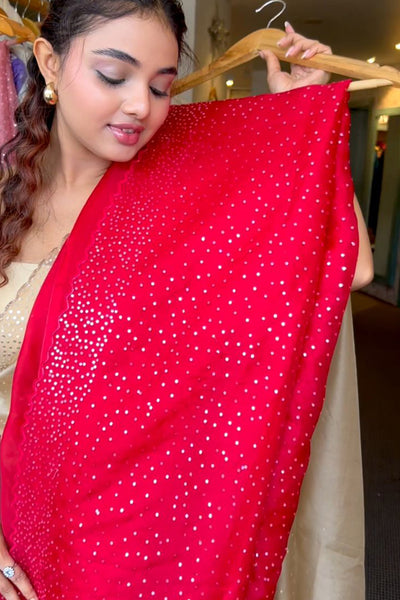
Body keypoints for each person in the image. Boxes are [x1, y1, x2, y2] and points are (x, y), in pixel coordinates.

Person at [0, 1, 373, 599]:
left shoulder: (184, 188)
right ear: (47, 62)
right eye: (113, 76)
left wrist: (302, 116)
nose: (140, 107)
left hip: (106, 534)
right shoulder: (7, 191)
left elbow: (351, 267)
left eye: (161, 87)